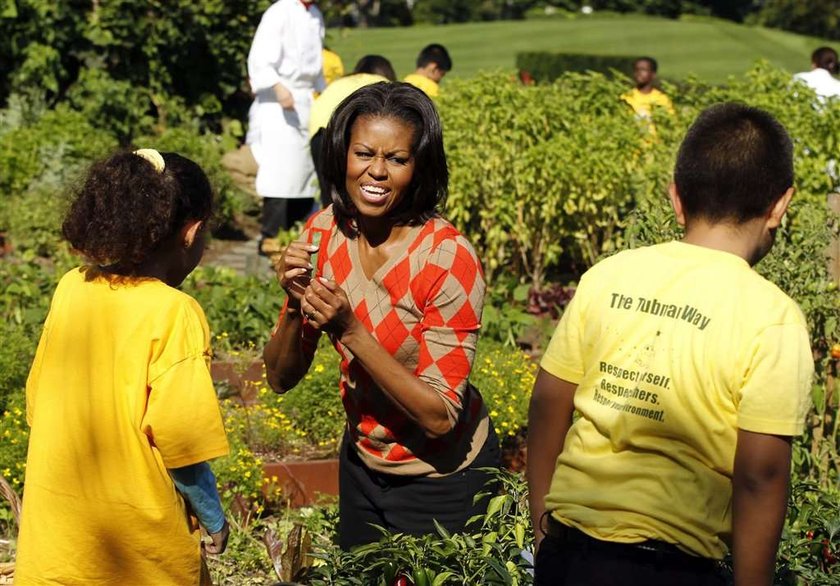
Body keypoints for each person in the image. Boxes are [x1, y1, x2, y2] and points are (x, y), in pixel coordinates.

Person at [527, 104, 813, 586]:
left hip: (570, 552)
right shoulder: (773, 316)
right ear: (781, 205)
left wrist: (542, 532)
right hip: (674, 568)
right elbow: (760, 477)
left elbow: (548, 403)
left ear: (676, 198)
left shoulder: (609, 275)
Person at [264, 82, 499, 550]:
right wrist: (294, 303)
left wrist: (351, 330)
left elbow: (440, 418)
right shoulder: (324, 233)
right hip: (362, 464)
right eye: (364, 153)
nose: (376, 171)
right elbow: (279, 377)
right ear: (341, 156)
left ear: (420, 167)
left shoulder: (446, 258)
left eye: (397, 159)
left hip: (440, 479)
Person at [15, 149, 231, 584]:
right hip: (137, 558)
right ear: (192, 232)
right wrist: (214, 517)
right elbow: (181, 445)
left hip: (56, 547)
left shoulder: (72, 287)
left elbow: (37, 402)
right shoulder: (174, 313)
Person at [247, 0, 326, 255]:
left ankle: (297, 232)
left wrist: (323, 93)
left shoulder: (315, 15)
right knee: (279, 174)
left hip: (305, 102)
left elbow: (317, 66)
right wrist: (278, 88)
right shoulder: (279, 11)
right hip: (278, 103)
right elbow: (260, 58)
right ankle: (270, 236)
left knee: (304, 174)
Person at [309, 54, 397, 207]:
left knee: (330, 199)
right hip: (346, 134)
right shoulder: (384, 85)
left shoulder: (339, 83)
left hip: (318, 135)